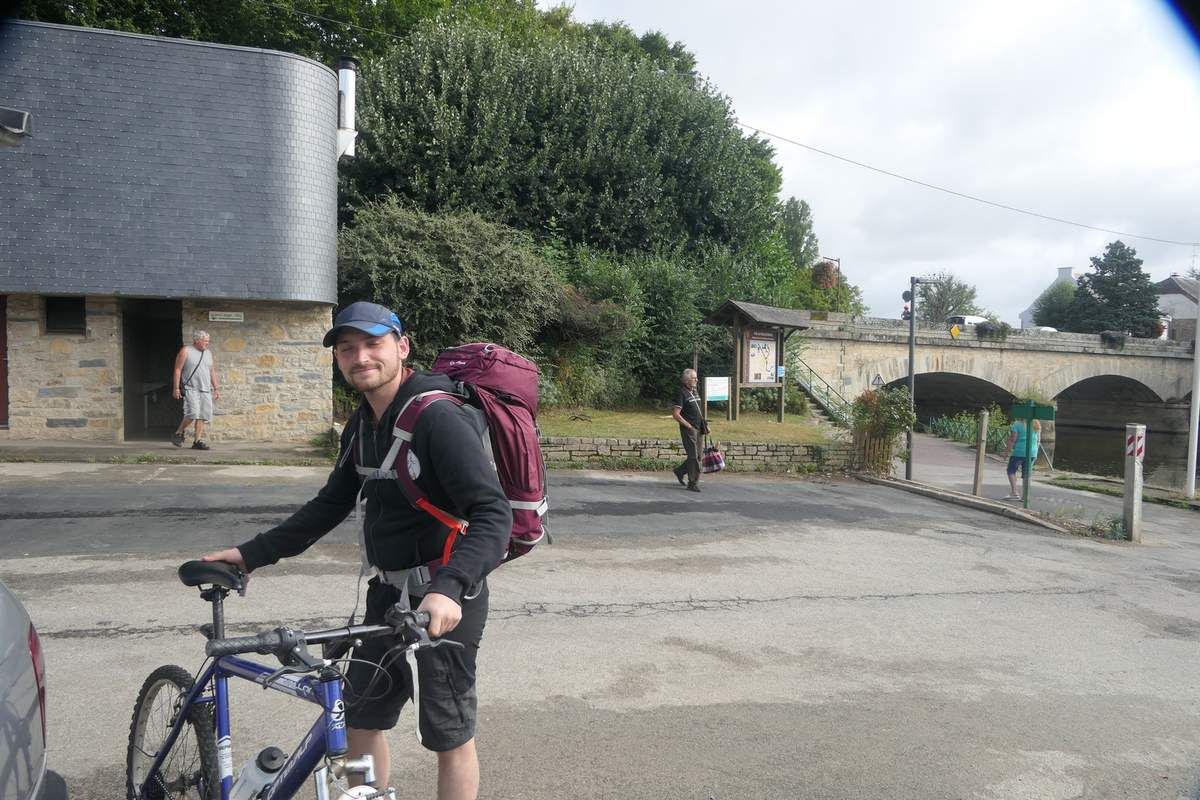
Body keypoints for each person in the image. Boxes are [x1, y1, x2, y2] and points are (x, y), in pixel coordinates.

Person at [200, 301, 510, 800]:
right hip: (386, 595)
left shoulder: (439, 420)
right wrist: (250, 553)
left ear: (401, 347)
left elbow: (495, 514)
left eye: (372, 344)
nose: (360, 357)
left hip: (447, 597)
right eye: (347, 349)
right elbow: (330, 505)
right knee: (361, 716)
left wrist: (450, 589)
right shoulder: (363, 424)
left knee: (448, 733)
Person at [171, 330, 220, 450]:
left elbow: (211, 370)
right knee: (192, 413)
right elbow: (177, 370)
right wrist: (176, 388)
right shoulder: (186, 351)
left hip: (205, 389)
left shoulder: (208, 353)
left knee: (203, 415)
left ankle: (197, 441)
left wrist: (216, 388)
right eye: (205, 341)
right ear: (197, 340)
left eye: (208, 341)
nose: (207, 344)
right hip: (191, 388)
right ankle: (178, 432)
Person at [671, 368, 707, 492]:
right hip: (689, 429)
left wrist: (704, 424)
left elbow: (698, 410)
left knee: (698, 456)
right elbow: (676, 414)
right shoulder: (682, 393)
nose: (696, 380)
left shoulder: (695, 391)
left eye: (696, 377)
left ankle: (679, 471)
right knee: (693, 457)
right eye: (694, 378)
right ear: (686, 380)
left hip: (699, 428)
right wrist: (688, 426)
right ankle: (693, 483)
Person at [1004, 418, 1041, 500]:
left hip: (1019, 452)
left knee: (1011, 470)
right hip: (1032, 452)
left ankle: (1014, 492)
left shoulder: (1017, 424)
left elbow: (1013, 439)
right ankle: (1025, 496)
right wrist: (1035, 453)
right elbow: (1038, 440)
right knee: (1026, 474)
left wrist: (1007, 451)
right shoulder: (1036, 423)